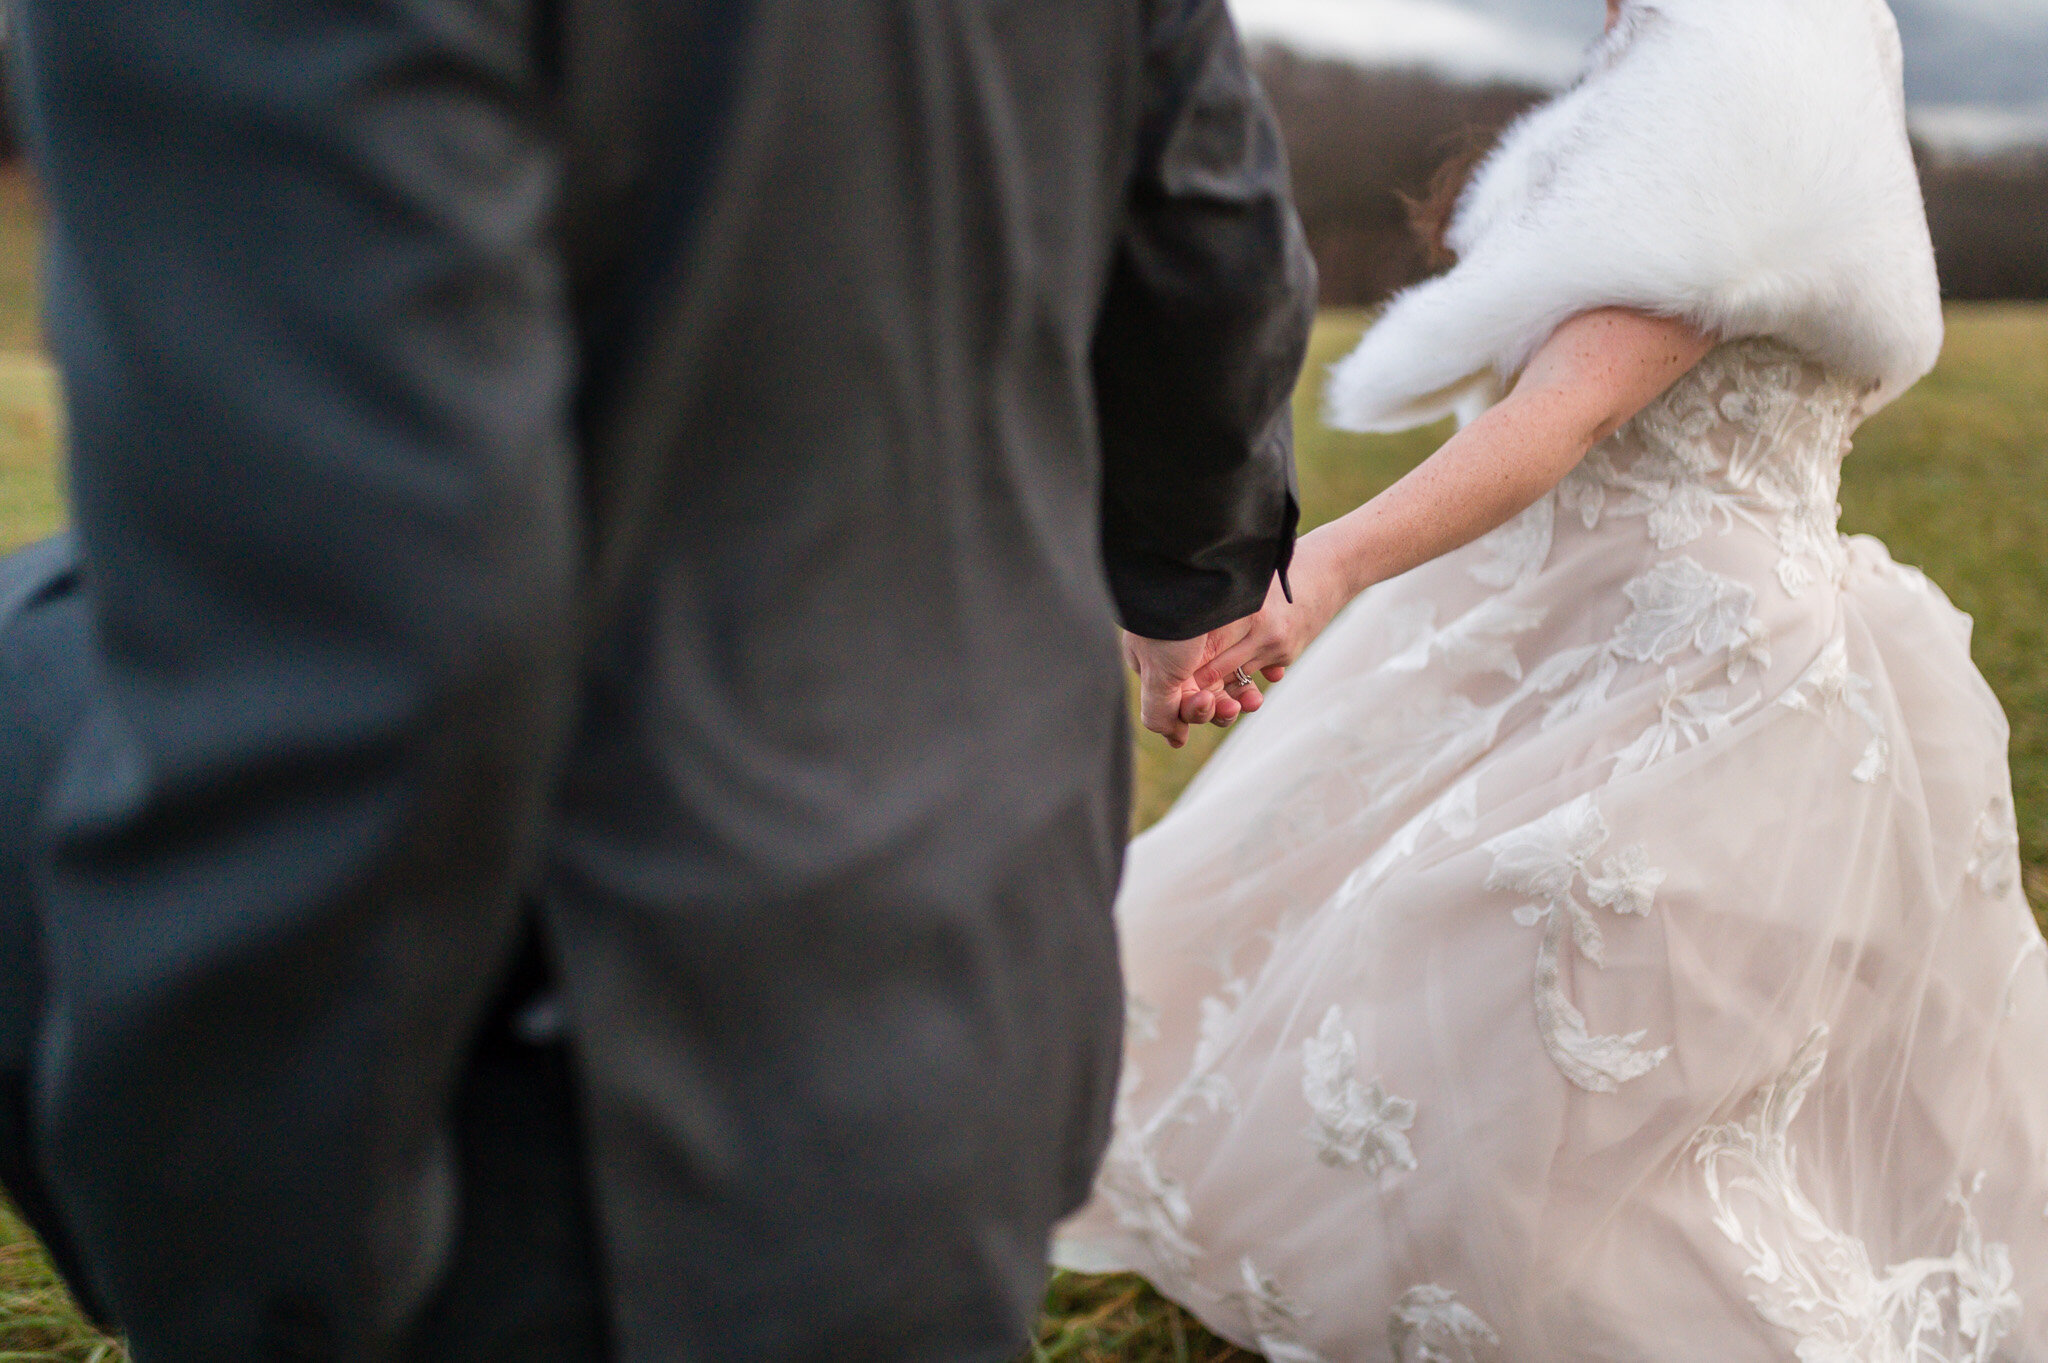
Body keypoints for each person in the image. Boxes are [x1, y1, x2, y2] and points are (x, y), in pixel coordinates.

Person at [0, 1, 1313, 1359]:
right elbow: (1210, 255)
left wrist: (244, 1270)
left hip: (555, 1137)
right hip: (976, 1006)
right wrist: (1189, 569)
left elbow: (346, 635)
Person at [1055, 0, 2048, 1358]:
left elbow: (1566, 409)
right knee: (1376, 942)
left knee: (1565, 990)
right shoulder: (1658, 51)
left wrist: (1330, 566)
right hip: (1549, 598)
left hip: (1693, 645)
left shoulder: (1754, 45)